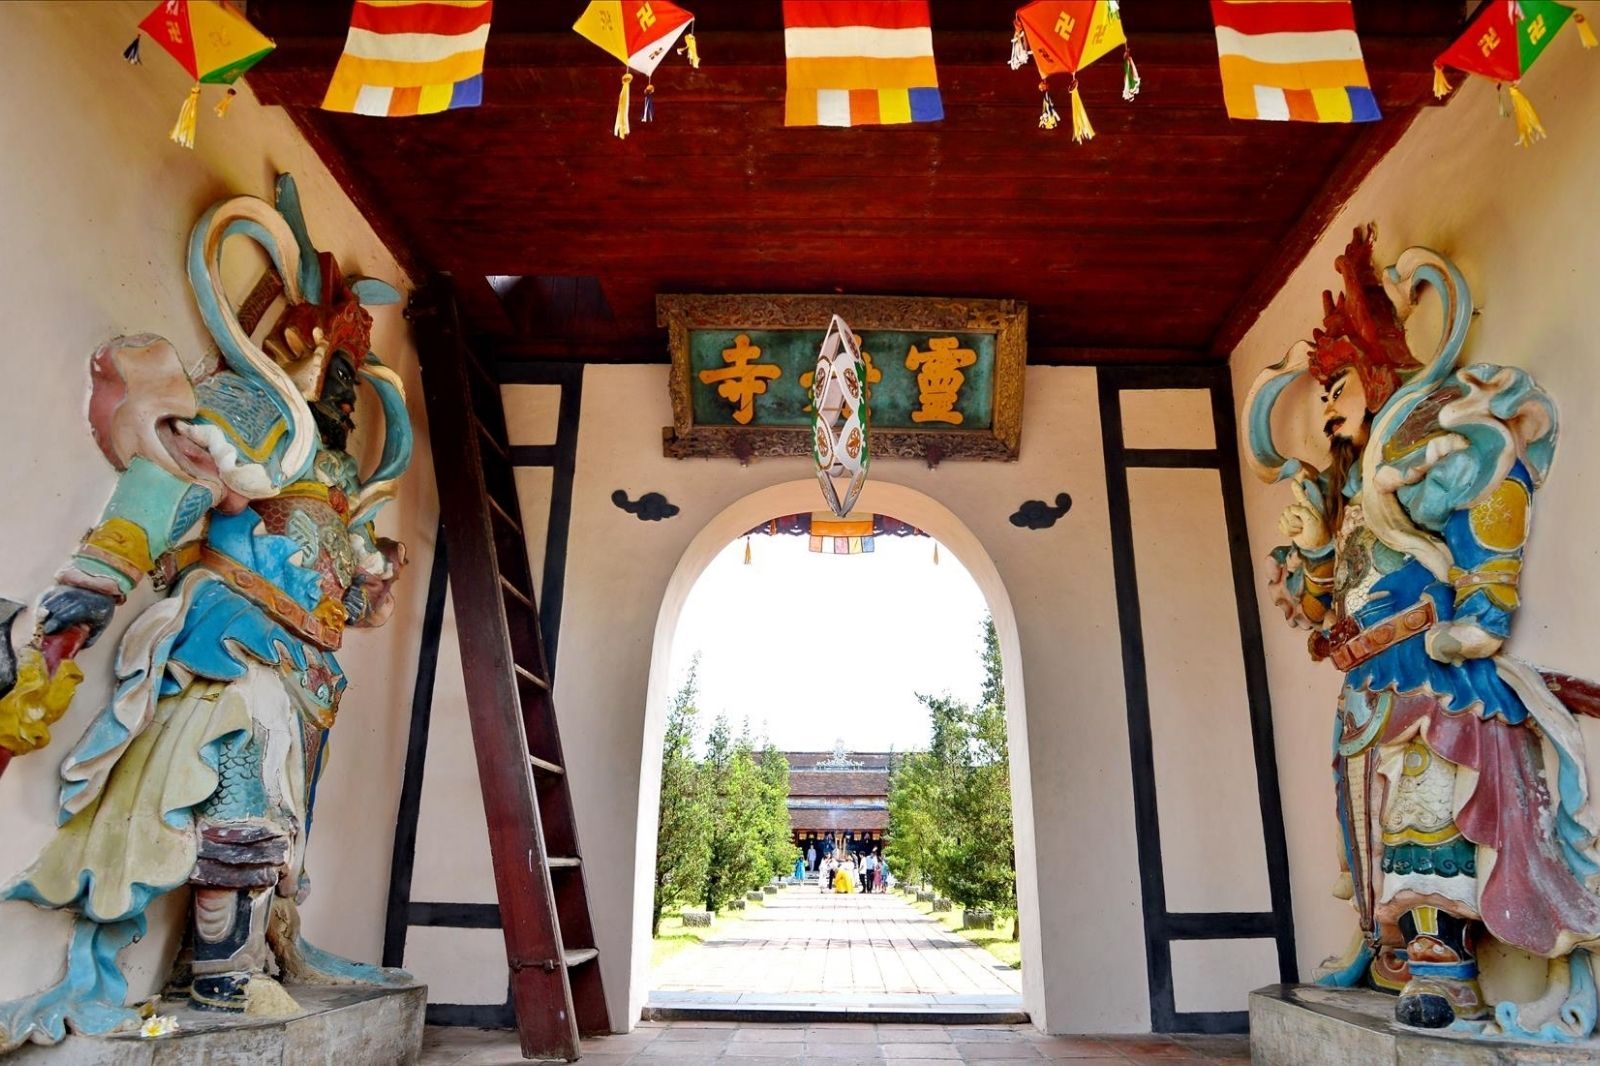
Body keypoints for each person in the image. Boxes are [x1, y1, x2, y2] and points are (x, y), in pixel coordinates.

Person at [0, 177, 413, 1045]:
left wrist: (362, 577)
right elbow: (173, 490)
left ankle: (248, 955)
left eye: (350, 374)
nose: (338, 388)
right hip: (234, 637)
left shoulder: (338, 475)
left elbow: (340, 572)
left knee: (285, 820)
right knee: (241, 789)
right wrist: (96, 586)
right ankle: (222, 972)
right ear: (291, 344)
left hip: (309, 662)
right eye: (328, 361)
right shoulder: (255, 413)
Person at [1249, 226, 1600, 1032]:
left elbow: (1491, 490)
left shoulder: (1418, 453)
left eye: (1337, 386)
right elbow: (1315, 606)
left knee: (1427, 811)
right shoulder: (1351, 499)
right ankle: (1391, 949)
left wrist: (1485, 607)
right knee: (1369, 828)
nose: (1328, 407)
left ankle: (1447, 969)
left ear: (1377, 381)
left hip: (1427, 671)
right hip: (1368, 680)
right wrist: (1308, 546)